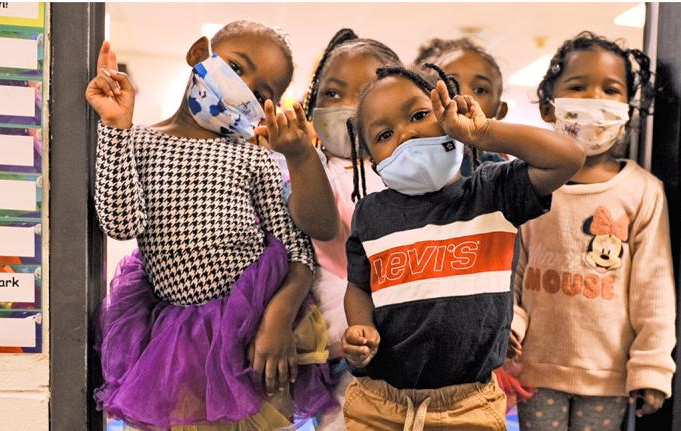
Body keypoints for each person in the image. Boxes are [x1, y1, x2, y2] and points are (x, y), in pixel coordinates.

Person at [87, 21, 334, 430]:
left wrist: (278, 318)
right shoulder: (138, 140)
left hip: (254, 334)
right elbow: (120, 222)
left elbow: (297, 250)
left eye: (260, 94)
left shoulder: (255, 158)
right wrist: (115, 128)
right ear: (199, 55)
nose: (242, 90)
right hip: (175, 342)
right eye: (236, 68)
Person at [340, 65, 585, 430]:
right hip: (380, 403)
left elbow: (568, 157)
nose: (406, 135)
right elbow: (359, 285)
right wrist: (360, 326)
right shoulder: (370, 214)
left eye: (419, 115)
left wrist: (485, 132)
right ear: (371, 160)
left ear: (449, 113)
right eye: (385, 134)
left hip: (468, 405)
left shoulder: (494, 192)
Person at [512, 32, 676, 430]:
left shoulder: (643, 192)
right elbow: (512, 270)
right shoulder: (528, 184)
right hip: (535, 370)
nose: (593, 99)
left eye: (610, 89)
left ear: (627, 110)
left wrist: (652, 368)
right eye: (578, 87)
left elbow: (653, 289)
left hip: (607, 377)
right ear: (550, 107)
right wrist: (509, 327)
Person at [300, 28, 403, 430]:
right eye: (332, 93)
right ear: (312, 103)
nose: (346, 107)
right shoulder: (308, 169)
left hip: (399, 336)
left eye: (365, 94)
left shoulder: (406, 174)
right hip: (331, 335)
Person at [414, 37, 508, 176]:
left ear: (499, 110)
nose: (463, 96)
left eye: (480, 90)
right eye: (449, 85)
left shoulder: (498, 169)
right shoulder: (414, 158)